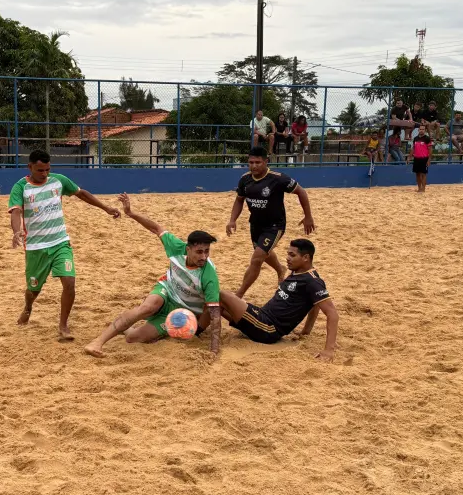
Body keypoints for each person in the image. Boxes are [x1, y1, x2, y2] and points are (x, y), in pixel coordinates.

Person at [84, 193, 221, 360]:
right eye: (199, 252)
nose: (204, 257)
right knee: (147, 308)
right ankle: (97, 342)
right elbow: (156, 228)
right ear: (188, 249)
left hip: (182, 313)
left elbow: (215, 314)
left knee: (132, 338)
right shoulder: (177, 247)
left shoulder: (209, 274)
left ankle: (126, 326)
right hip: (166, 290)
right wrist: (130, 213)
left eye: (207, 251)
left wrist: (214, 351)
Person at [8, 150, 120, 341]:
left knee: (69, 283)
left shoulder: (58, 181)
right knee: (33, 290)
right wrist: (16, 231)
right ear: (30, 167)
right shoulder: (21, 187)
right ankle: (28, 306)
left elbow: (81, 193)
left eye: (47, 170)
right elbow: (16, 212)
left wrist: (106, 207)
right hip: (36, 247)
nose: (44, 174)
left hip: (60, 242)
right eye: (40, 170)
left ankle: (63, 326)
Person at [219, 239, 338, 362]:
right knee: (216, 302)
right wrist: (305, 332)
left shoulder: (313, 282)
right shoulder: (297, 272)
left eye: (292, 255)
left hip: (267, 328)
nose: (287, 258)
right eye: (288, 254)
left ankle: (200, 331)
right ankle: (199, 330)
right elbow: (315, 304)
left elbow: (332, 314)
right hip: (260, 316)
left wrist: (329, 350)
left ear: (306, 257)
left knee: (222, 295)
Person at [226, 147, 315, 298]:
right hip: (255, 224)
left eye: (258, 162)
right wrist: (232, 220)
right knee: (264, 253)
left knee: (257, 258)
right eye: (251, 162)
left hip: (275, 225)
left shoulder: (278, 179)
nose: (254, 166)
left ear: (266, 162)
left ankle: (238, 295)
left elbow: (301, 191)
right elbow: (239, 200)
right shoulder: (245, 179)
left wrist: (308, 216)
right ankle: (280, 269)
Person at [411, 122, 431, 193]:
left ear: (425, 130)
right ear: (418, 130)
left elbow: (430, 150)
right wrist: (409, 156)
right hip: (416, 158)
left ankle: (423, 189)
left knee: (423, 174)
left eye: (423, 129)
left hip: (424, 159)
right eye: (420, 129)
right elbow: (413, 148)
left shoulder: (427, 139)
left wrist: (429, 160)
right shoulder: (415, 138)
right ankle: (419, 188)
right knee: (417, 174)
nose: (421, 130)